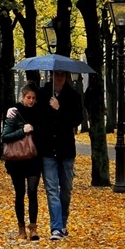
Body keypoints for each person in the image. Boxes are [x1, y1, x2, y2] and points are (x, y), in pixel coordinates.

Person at [30, 70, 84, 240]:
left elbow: (77, 120)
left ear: (66, 76)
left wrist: (59, 108)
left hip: (66, 150)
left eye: (62, 74)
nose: (59, 77)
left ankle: (63, 222)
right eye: (56, 74)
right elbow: (33, 113)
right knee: (51, 189)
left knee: (66, 189)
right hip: (47, 150)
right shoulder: (43, 94)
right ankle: (56, 228)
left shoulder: (73, 95)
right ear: (52, 75)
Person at [1, 85, 42, 240]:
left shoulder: (39, 113)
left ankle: (33, 228)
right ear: (22, 97)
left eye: (33, 98)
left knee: (32, 192)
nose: (30, 101)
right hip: (17, 160)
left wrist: (34, 128)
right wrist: (22, 131)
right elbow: (5, 136)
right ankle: (21, 229)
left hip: (34, 159)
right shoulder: (15, 112)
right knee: (20, 193)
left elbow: (44, 132)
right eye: (28, 97)